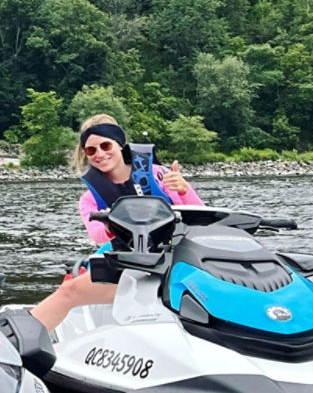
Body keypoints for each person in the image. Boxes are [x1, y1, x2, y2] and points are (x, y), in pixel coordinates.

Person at [29, 114, 203, 330]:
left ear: (120, 144)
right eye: (91, 150)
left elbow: (200, 215)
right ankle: (21, 343)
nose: (99, 154)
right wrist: (113, 221)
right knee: (68, 291)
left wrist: (184, 190)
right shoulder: (90, 199)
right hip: (128, 268)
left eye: (105, 145)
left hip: (175, 260)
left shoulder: (161, 175)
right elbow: (98, 235)